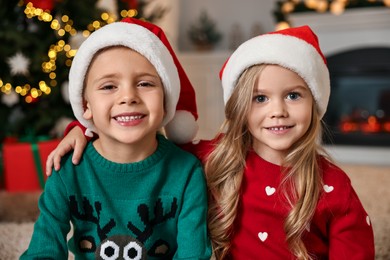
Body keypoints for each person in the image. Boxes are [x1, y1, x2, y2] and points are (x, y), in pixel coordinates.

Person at [46, 25, 375, 259]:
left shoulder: (333, 185)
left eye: (293, 95)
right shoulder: (211, 158)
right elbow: (135, 144)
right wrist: (83, 127)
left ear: (315, 102)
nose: (278, 111)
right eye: (260, 98)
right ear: (238, 107)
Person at [21, 17, 212, 260]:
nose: (128, 97)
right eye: (109, 86)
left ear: (166, 102)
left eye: (145, 83)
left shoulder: (187, 172)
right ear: (85, 105)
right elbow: (43, 251)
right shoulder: (68, 169)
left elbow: (193, 255)